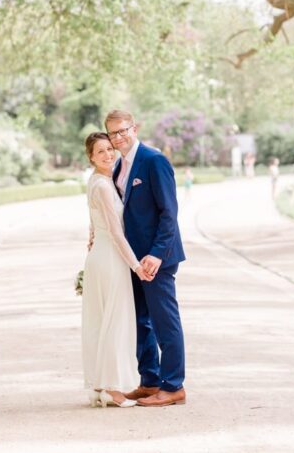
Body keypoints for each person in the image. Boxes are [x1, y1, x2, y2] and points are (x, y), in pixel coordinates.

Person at [106, 110, 188, 407]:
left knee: (165, 321)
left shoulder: (154, 161)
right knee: (141, 322)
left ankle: (173, 385)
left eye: (123, 130)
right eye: (113, 133)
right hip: (131, 259)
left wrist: (156, 254)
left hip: (156, 259)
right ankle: (150, 380)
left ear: (134, 128)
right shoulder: (117, 167)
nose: (119, 137)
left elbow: (169, 212)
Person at [81, 132, 153, 408]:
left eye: (110, 149)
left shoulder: (98, 181)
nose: (108, 155)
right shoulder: (102, 186)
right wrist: (136, 266)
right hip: (110, 259)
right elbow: (114, 231)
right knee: (115, 322)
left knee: (102, 321)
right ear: (91, 156)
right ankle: (112, 389)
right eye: (101, 151)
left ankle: (101, 385)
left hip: (100, 255)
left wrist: (91, 235)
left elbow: (95, 223)